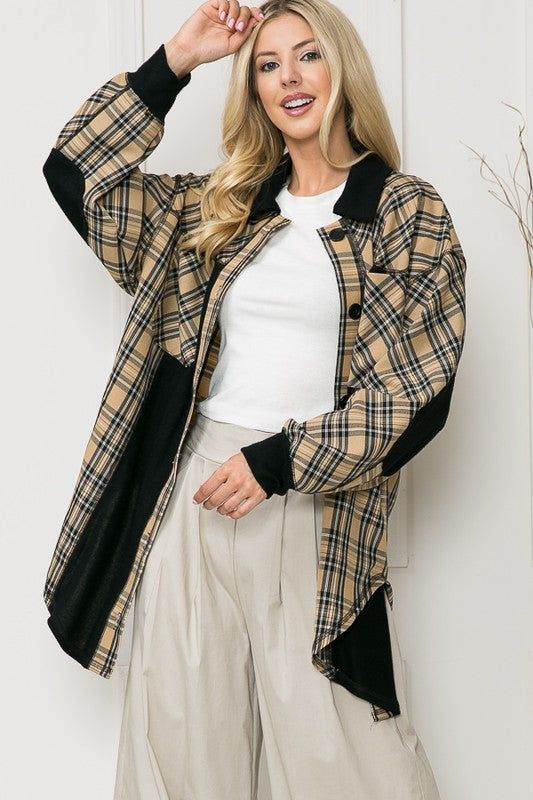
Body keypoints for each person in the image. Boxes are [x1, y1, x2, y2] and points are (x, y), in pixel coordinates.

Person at [42, 1, 467, 798]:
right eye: (267, 65)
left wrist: (277, 463)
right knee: (181, 751)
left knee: (343, 760)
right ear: (254, 89)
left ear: (342, 67)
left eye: (307, 55)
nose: (288, 79)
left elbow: (420, 389)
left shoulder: (404, 211)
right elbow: (78, 174)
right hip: (196, 496)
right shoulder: (221, 208)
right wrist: (176, 59)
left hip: (315, 504)